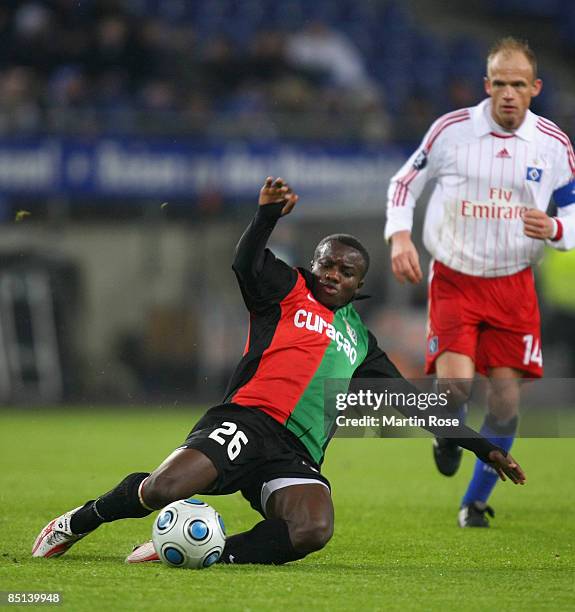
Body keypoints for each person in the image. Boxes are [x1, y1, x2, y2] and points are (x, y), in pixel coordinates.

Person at [33, 177, 525, 565]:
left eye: (346, 271)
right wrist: (267, 214)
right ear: (314, 264)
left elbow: (413, 404)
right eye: (327, 265)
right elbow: (244, 262)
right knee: (164, 490)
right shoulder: (285, 289)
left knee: (313, 530)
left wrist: (485, 449)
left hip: (296, 452)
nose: (333, 274)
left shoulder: (361, 341)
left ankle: (210, 554)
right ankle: (79, 521)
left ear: (358, 284)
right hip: (246, 421)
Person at [385, 37, 575, 527]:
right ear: (486, 85)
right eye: (500, 83)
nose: (508, 93)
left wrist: (554, 228)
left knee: (505, 401)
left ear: (534, 88)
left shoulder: (554, 145)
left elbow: (571, 219)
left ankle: (474, 502)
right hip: (455, 278)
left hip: (513, 284)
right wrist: (400, 236)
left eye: (519, 84)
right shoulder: (451, 131)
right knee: (454, 388)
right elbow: (404, 182)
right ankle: (445, 432)